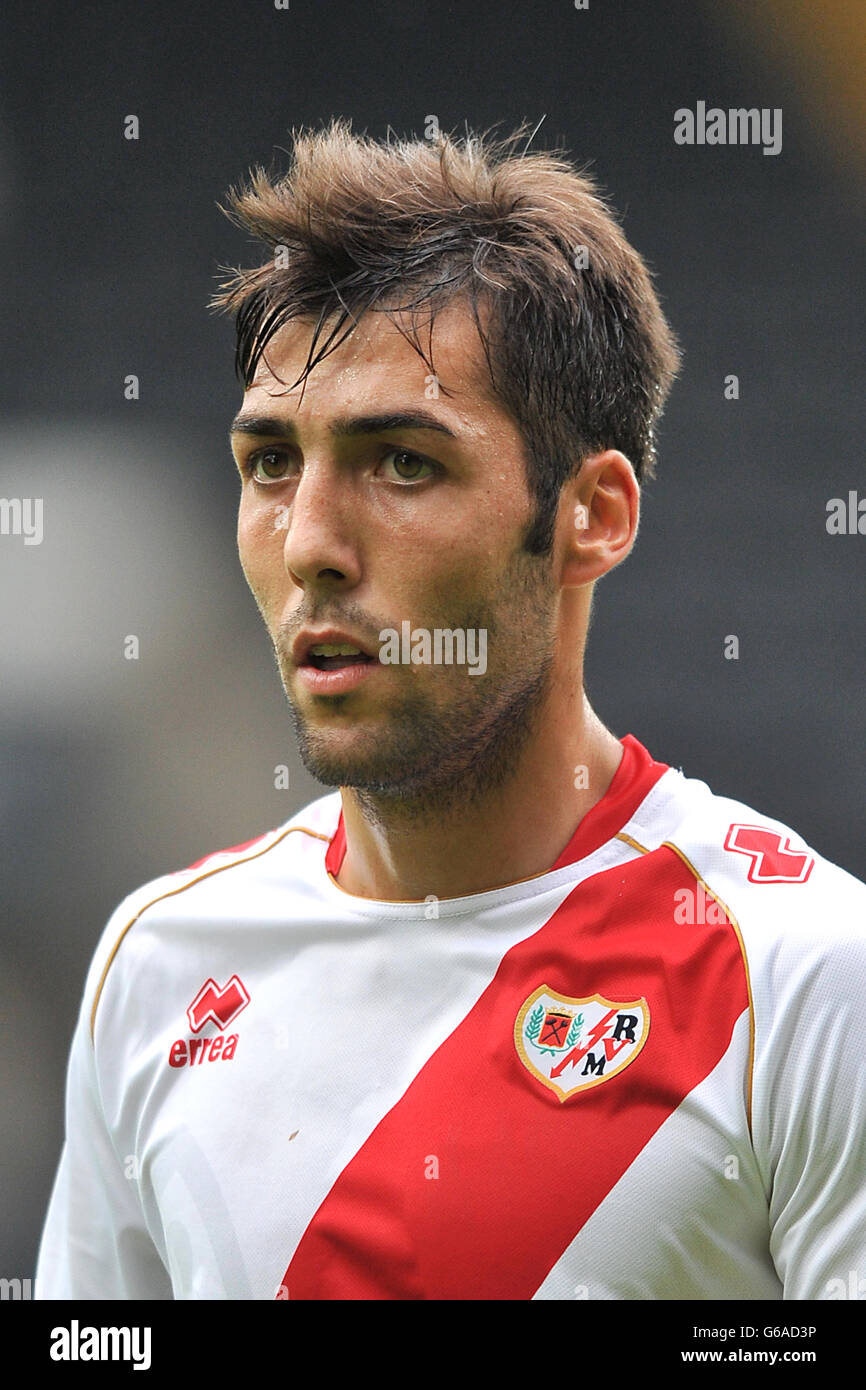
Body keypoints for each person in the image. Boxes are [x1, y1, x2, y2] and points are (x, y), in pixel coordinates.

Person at [35, 119, 866, 1300]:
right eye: (271, 463)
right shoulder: (159, 965)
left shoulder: (802, 974)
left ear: (592, 515)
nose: (310, 543)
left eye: (402, 462)